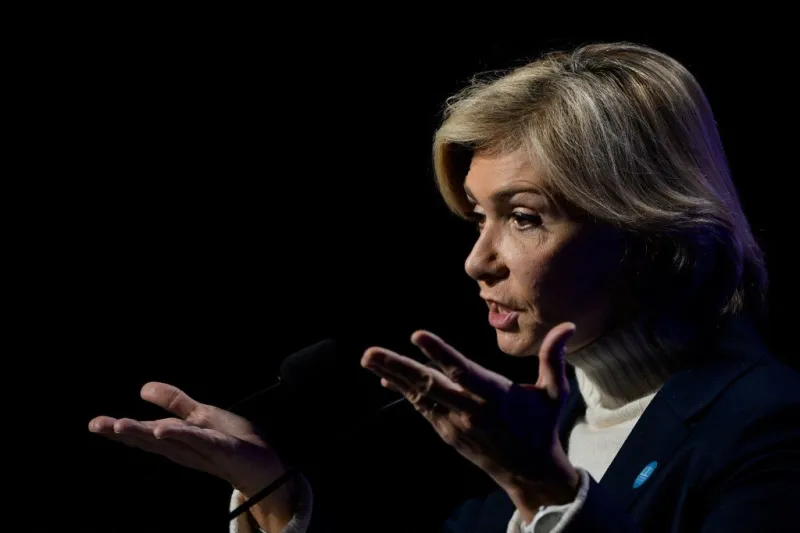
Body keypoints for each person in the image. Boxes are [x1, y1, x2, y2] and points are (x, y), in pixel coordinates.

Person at [89, 41, 800, 532]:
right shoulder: (545, 426)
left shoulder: (769, 426)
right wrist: (274, 495)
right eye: (478, 216)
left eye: (524, 218)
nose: (477, 261)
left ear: (648, 235)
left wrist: (547, 491)